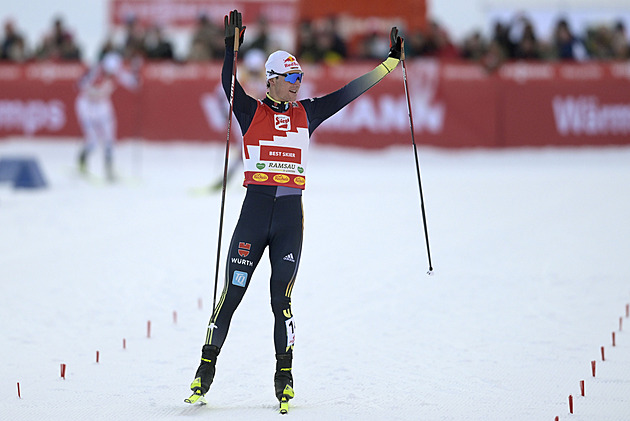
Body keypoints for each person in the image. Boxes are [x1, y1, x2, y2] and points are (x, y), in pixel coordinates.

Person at [187, 9, 403, 410]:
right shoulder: (251, 110)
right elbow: (226, 82)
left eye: (300, 78)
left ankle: (284, 378)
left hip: (289, 219)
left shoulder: (309, 112)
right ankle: (205, 370)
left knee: (280, 300)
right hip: (254, 215)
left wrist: (389, 63)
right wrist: (230, 48)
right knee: (231, 293)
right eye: (291, 79)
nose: (298, 85)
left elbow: (350, 91)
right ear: (271, 80)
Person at [75, 51, 140, 180]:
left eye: (112, 72)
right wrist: (93, 86)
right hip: (87, 105)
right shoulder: (95, 72)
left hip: (102, 105)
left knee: (109, 138)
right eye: (108, 71)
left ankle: (108, 168)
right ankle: (82, 161)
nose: (110, 74)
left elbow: (134, 84)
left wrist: (136, 69)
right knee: (92, 140)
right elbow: (79, 85)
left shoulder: (117, 73)